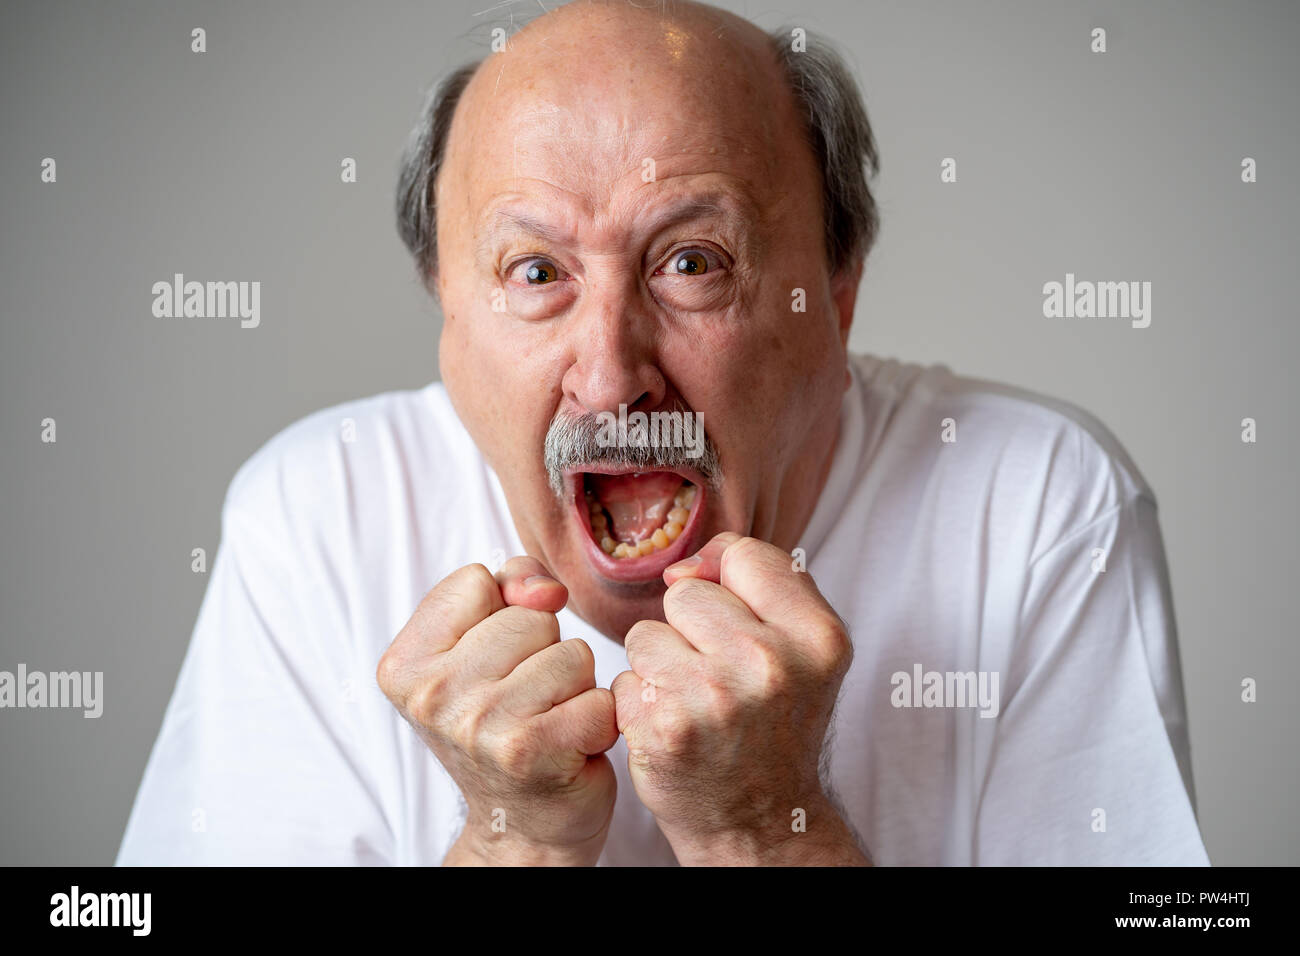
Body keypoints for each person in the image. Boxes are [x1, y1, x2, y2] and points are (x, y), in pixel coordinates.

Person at [117, 0, 1209, 866]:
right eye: (535, 272)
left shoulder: (1039, 500)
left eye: (692, 260)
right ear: (445, 313)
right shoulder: (314, 515)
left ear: (834, 295)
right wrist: (512, 842)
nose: (608, 372)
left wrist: (760, 824)